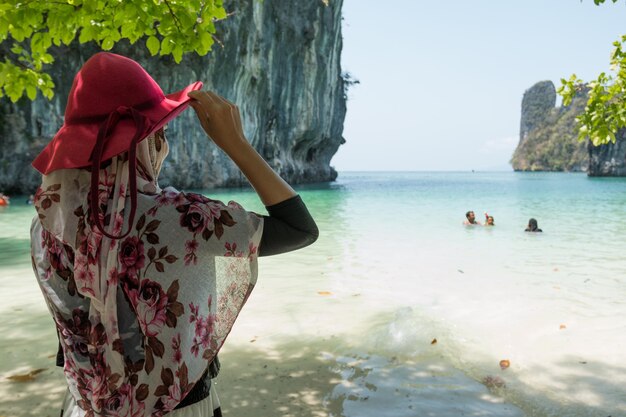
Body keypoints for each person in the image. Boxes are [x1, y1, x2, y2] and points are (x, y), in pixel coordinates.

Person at [30, 52, 318, 417]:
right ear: (143, 144)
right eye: (158, 133)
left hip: (84, 405)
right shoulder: (180, 219)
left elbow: (73, 326)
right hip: (178, 408)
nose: (163, 144)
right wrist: (237, 144)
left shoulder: (46, 222)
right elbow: (299, 229)